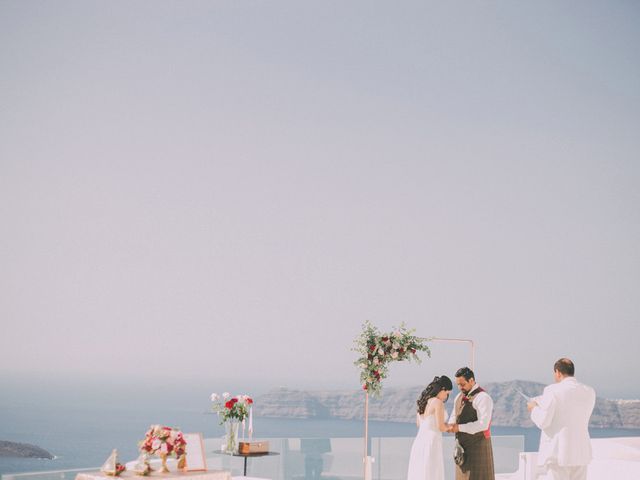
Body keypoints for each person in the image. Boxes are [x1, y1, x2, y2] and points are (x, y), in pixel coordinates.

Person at [527, 358, 596, 480]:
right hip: (581, 452)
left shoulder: (552, 390)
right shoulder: (589, 391)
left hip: (558, 452)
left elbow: (544, 421)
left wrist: (534, 409)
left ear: (558, 372)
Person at [447, 367, 495, 480]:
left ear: (472, 380)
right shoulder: (459, 397)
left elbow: (483, 424)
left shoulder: (483, 397)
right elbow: (454, 415)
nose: (460, 387)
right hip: (462, 448)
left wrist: (459, 427)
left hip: (478, 446)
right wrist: (450, 425)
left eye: (462, 384)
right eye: (458, 384)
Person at [407, 375, 453, 480]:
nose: (446, 396)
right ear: (442, 389)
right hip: (432, 441)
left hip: (419, 441)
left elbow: (419, 424)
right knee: (432, 472)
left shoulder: (423, 402)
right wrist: (452, 427)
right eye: (447, 393)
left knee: (420, 472)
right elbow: (441, 427)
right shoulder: (438, 402)